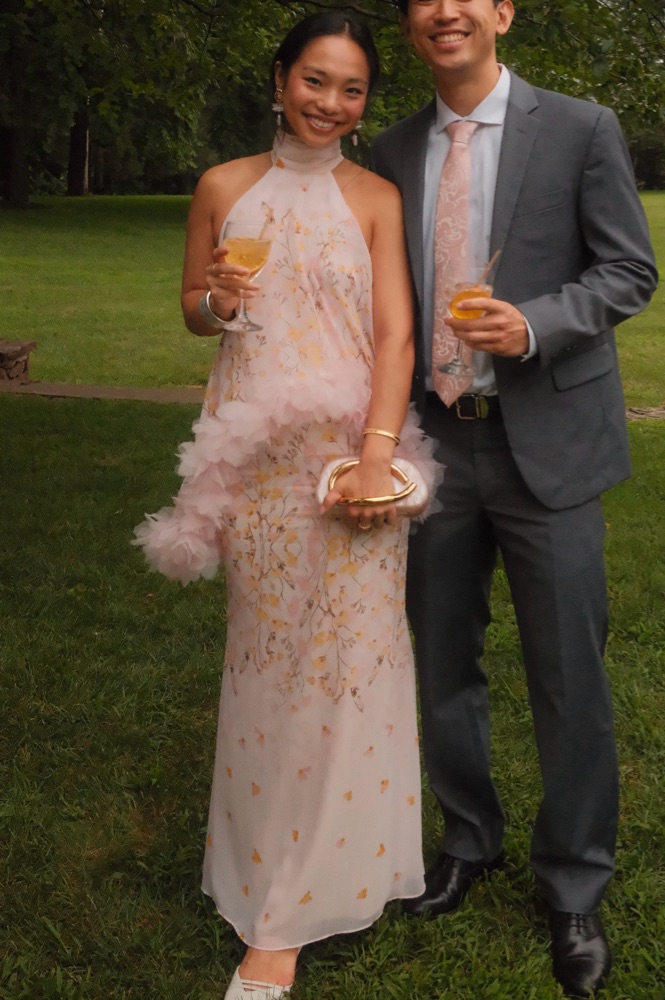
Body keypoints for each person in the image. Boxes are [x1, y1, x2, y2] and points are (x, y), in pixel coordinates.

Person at [134, 13, 440, 999]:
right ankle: (266, 882)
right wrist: (219, 300)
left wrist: (374, 459)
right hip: (260, 470)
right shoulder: (223, 187)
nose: (331, 104)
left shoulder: (378, 197)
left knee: (350, 662)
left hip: (351, 461)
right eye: (315, 80)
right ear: (279, 78)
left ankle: (321, 893)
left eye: (352, 90)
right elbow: (194, 311)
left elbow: (395, 337)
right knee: (270, 664)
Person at [371, 0, 657, 996]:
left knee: (569, 675)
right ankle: (467, 839)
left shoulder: (580, 127)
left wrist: (534, 324)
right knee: (441, 660)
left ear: (502, 12)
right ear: (411, 23)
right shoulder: (391, 147)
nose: (444, 10)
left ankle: (574, 883)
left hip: (552, 447)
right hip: (436, 445)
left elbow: (629, 270)